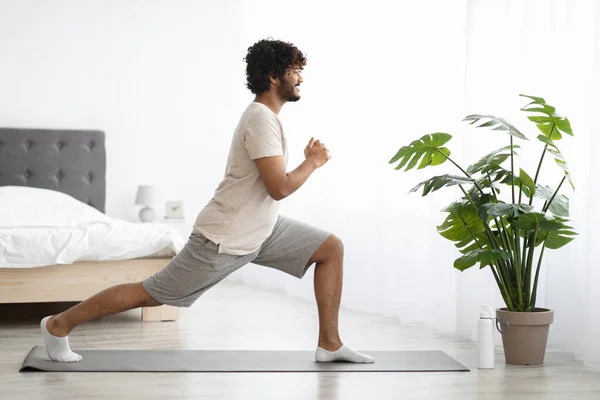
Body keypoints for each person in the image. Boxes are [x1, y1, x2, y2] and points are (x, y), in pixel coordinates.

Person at [40, 38, 374, 364]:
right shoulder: (259, 119)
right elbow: (279, 188)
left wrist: (307, 162)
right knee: (151, 293)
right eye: (295, 70)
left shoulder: (267, 119)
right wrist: (312, 162)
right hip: (224, 238)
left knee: (331, 248)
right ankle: (58, 325)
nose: (301, 77)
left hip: (260, 229)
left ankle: (330, 343)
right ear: (274, 76)